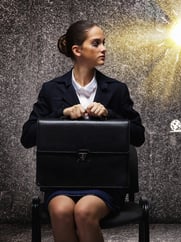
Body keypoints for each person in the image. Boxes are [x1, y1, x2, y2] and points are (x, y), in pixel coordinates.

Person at [20, 20, 145, 242]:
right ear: (77, 50)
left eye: (104, 43)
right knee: (60, 211)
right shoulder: (51, 90)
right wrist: (62, 114)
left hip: (105, 181)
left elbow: (138, 136)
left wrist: (109, 114)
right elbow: (27, 137)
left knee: (84, 211)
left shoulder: (116, 90)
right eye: (96, 43)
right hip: (62, 181)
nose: (104, 48)